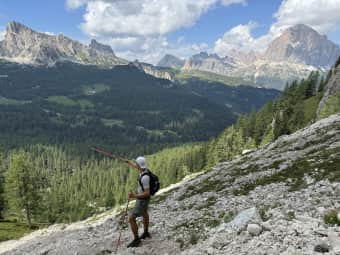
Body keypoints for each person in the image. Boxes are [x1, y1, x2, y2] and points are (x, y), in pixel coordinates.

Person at [125, 156, 152, 248]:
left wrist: (134, 196)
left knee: (131, 218)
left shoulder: (144, 178)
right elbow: (137, 166)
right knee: (144, 213)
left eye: (136, 163)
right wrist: (129, 162)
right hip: (143, 200)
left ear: (139, 165)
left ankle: (137, 240)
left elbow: (147, 193)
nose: (135, 165)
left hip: (142, 200)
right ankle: (145, 232)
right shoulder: (144, 170)